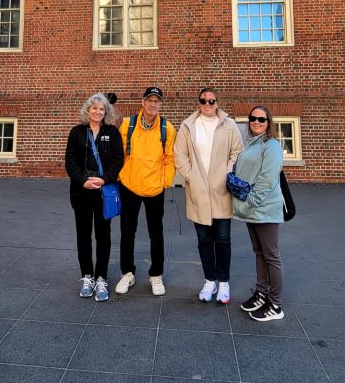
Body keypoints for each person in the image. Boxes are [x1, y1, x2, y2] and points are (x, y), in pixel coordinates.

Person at [174, 88, 243, 304]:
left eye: (211, 100)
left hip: (221, 190)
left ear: (217, 102)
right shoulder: (188, 126)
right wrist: (190, 176)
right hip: (198, 190)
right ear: (199, 102)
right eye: (203, 100)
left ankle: (223, 282)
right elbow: (180, 154)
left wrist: (228, 171)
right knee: (204, 239)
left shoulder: (229, 125)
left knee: (222, 239)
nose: (207, 104)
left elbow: (237, 151)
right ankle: (209, 281)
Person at [115, 87, 176, 296]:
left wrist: (164, 182)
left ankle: (156, 274)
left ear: (160, 105)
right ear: (142, 102)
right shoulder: (127, 125)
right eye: (149, 100)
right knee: (127, 231)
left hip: (154, 188)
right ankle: (127, 272)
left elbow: (170, 158)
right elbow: (120, 153)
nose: (153, 104)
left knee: (156, 233)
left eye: (156, 101)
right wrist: (122, 176)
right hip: (130, 186)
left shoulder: (167, 128)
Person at [65, 93, 124, 300]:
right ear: (87, 110)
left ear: (106, 112)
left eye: (102, 109)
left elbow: (118, 159)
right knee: (83, 235)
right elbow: (70, 161)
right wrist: (82, 180)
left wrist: (105, 179)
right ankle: (87, 277)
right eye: (94, 108)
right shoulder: (77, 132)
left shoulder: (112, 132)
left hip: (102, 192)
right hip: (81, 191)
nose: (98, 112)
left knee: (103, 235)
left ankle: (101, 278)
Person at [232, 105, 285, 322]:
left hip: (264, 207)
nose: (256, 122)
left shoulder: (271, 145)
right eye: (253, 118)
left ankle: (275, 303)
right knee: (259, 252)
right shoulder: (250, 143)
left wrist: (250, 200)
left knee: (271, 255)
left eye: (261, 119)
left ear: (268, 123)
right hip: (250, 208)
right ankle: (261, 293)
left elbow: (268, 178)